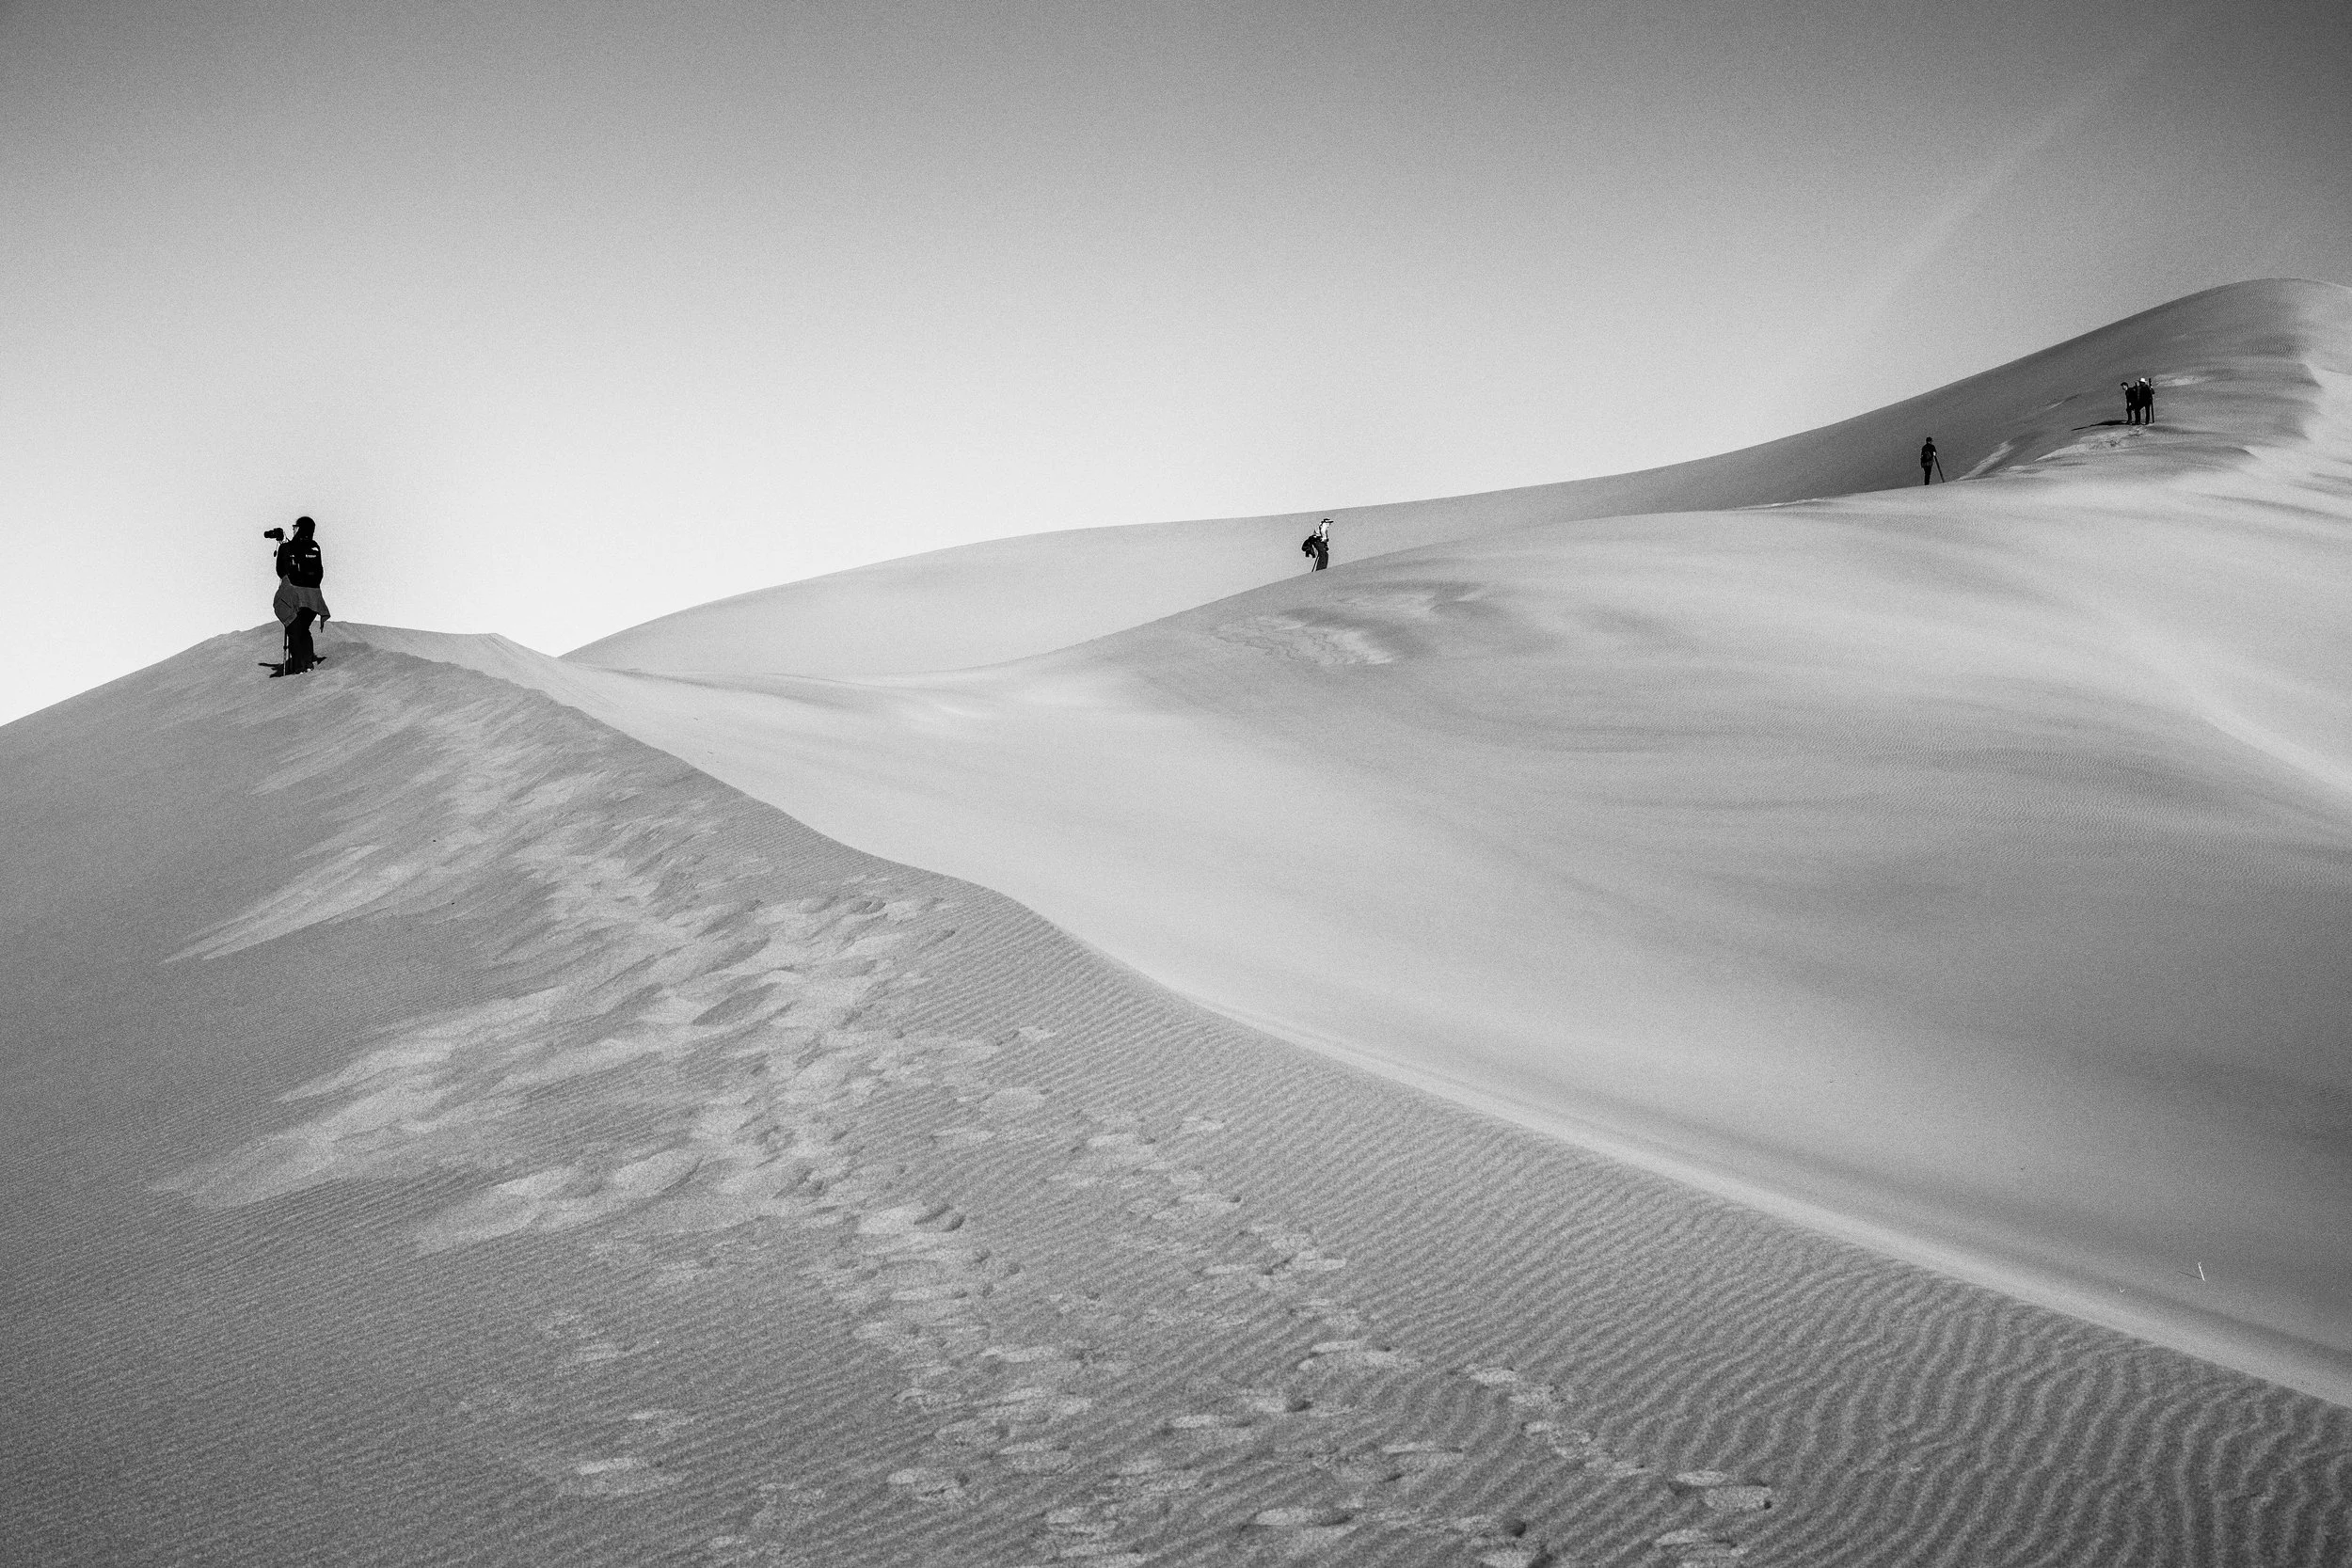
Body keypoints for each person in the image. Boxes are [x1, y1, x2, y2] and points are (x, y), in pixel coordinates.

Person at [264, 515, 331, 675]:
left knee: (294, 630)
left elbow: (281, 571)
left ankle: (300, 668)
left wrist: (283, 545)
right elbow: (320, 572)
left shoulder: (287, 548)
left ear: (300, 528)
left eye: (295, 526)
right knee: (304, 630)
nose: (293, 528)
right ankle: (308, 664)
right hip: (314, 599)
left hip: (294, 597)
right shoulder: (315, 547)